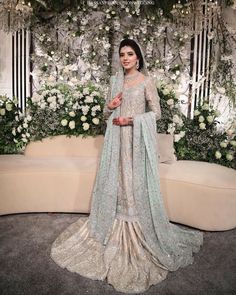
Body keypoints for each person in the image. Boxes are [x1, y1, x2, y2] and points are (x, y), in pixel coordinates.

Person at [50, 38, 203, 293]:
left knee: (133, 183)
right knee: (118, 182)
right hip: (115, 143)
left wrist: (132, 120)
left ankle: (137, 229)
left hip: (135, 141)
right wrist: (108, 107)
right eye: (122, 54)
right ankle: (113, 224)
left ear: (138, 57)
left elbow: (157, 113)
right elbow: (106, 114)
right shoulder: (115, 82)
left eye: (130, 54)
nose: (125, 58)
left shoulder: (146, 82)